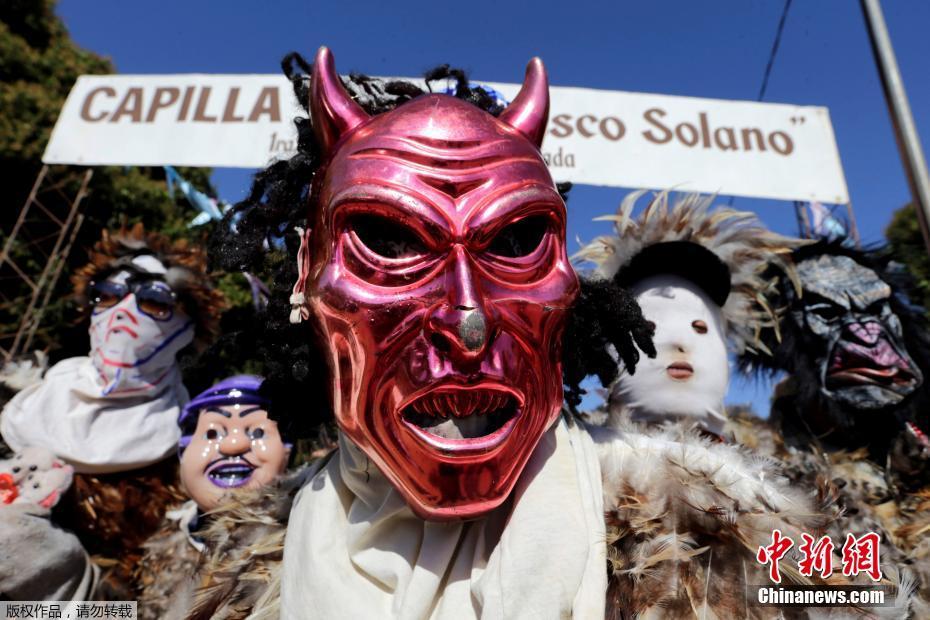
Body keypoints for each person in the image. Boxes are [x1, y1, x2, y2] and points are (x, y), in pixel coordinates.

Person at [190, 47, 879, 618]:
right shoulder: (238, 554)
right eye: (390, 244)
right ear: (308, 274)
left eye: (514, 243)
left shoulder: (717, 526)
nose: (468, 320)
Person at [0, 223, 224, 594]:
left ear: (188, 329)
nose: (122, 311)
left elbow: (148, 602)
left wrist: (70, 598)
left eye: (154, 300)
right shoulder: (21, 406)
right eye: (106, 294)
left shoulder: (188, 454)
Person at [738, 239, 930, 613]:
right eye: (827, 313)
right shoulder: (756, 474)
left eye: (877, 310)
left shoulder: (916, 448)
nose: (869, 336)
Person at [575, 190, 802, 438]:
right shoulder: (570, 454)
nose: (679, 343)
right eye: (649, 328)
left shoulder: (767, 460)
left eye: (700, 328)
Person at [137, 375, 291, 618]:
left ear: (287, 451)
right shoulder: (155, 535)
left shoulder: (300, 538)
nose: (233, 444)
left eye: (257, 432)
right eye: (212, 433)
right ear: (183, 451)